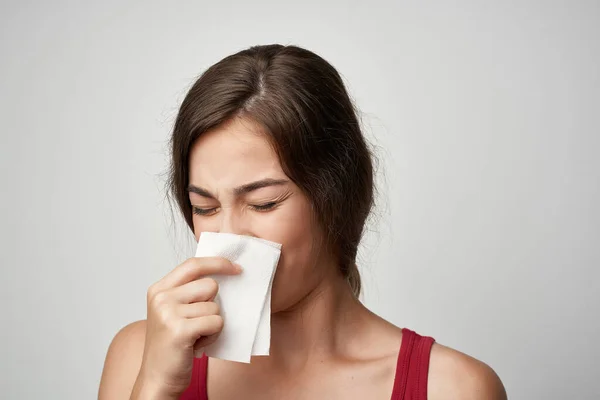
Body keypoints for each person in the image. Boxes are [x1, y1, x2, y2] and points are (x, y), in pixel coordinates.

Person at [98, 44, 507, 400]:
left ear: (336, 198)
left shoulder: (454, 389)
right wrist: (153, 388)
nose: (228, 236)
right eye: (204, 207)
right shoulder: (138, 356)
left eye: (263, 203)